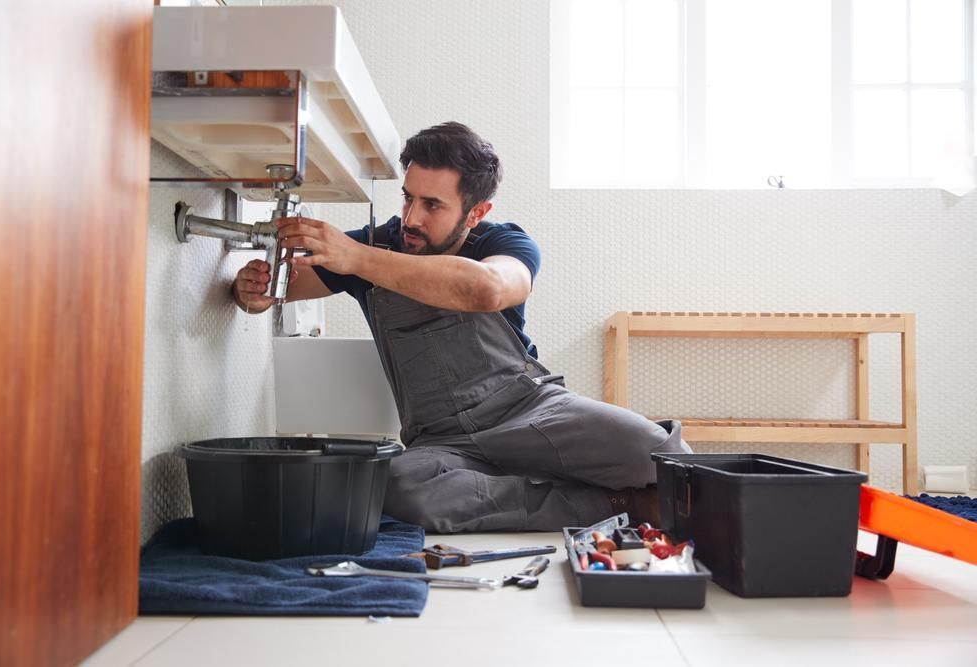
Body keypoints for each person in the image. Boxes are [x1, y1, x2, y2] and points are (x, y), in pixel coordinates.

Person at [232, 121, 690, 533]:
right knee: (395, 486)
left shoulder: (504, 242)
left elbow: (490, 289)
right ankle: (613, 502)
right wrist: (251, 290)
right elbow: (280, 289)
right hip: (441, 439)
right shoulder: (380, 244)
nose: (411, 219)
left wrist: (359, 258)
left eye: (433, 205)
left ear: (476, 212)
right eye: (408, 197)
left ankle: (535, 484)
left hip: (530, 410)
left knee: (664, 458)